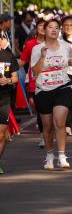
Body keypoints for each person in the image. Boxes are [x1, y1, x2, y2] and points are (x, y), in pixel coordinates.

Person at [31, 19, 72, 170]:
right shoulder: (37, 48)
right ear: (44, 30)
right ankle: (50, 155)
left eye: (57, 27)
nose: (54, 30)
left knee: (60, 122)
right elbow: (35, 72)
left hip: (63, 86)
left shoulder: (66, 46)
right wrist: (43, 56)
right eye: (50, 27)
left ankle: (62, 156)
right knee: (47, 126)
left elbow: (70, 62)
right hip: (43, 89)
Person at [19, 19, 46, 147]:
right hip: (34, 81)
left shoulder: (56, 43)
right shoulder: (30, 44)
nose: (42, 28)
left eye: (44, 26)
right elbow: (22, 62)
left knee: (50, 111)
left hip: (53, 81)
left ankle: (50, 133)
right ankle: (43, 135)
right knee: (40, 110)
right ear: (36, 29)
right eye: (39, 26)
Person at [0, 34, 19, 174]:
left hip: (4, 99)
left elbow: (15, 78)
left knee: (1, 135)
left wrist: (8, 81)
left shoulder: (8, 56)